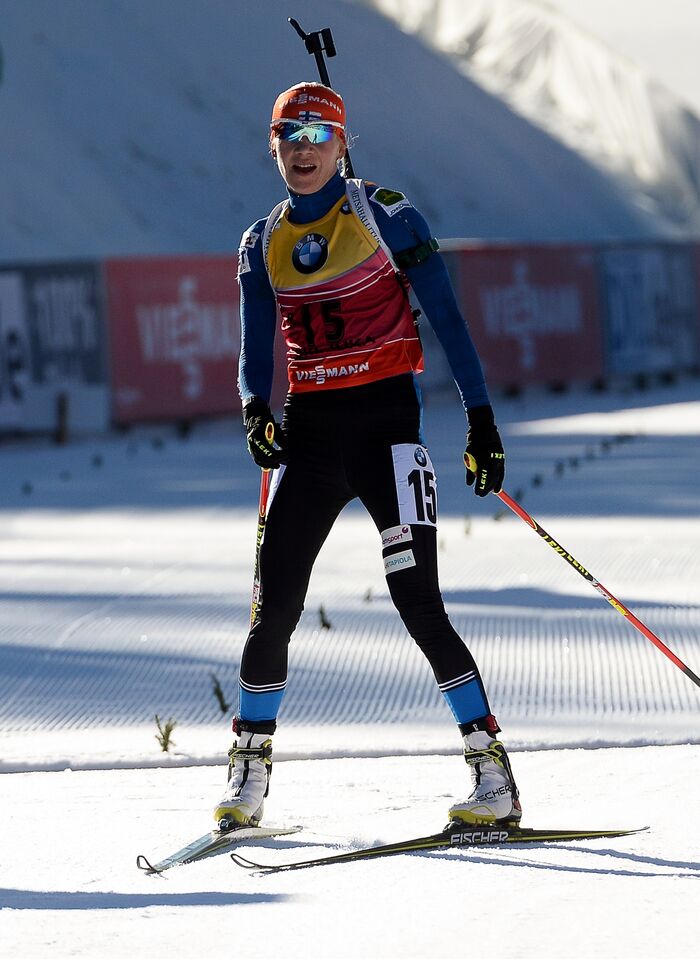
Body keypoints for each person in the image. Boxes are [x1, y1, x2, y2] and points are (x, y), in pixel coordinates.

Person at [218, 81, 519, 829]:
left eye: (319, 138)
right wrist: (257, 409)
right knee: (273, 606)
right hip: (314, 441)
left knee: (418, 601)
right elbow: (258, 350)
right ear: (273, 147)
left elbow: (448, 319)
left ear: (343, 143)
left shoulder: (385, 215)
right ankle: (248, 775)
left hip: (388, 436)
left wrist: (481, 421)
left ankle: (492, 776)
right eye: (290, 138)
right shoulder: (262, 244)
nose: (303, 151)